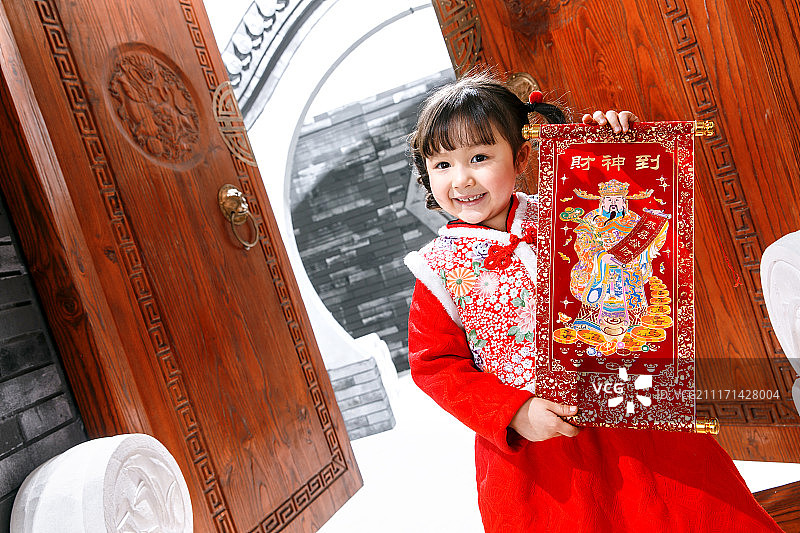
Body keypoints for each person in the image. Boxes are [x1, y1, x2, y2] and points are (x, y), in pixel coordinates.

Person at [404, 73, 781, 532]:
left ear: (521, 156)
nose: (462, 179)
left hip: (634, 414)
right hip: (541, 454)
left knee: (692, 515)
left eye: (479, 157)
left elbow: (636, 212)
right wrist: (514, 414)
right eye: (442, 164)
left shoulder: (566, 208)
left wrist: (612, 144)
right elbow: (436, 365)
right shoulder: (437, 268)